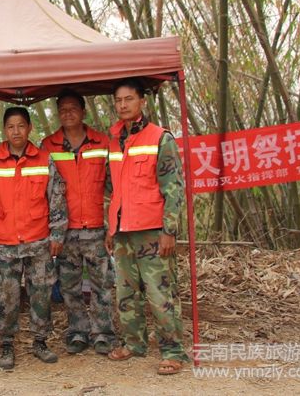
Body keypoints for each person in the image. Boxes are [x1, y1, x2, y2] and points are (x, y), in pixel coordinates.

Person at [104, 77, 189, 375]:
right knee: (126, 293)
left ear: (142, 101)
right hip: (122, 230)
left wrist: (169, 231)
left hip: (153, 231)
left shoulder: (160, 138)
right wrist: (110, 228)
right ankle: (134, 343)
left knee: (160, 292)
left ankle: (173, 351)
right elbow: (112, 188)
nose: (123, 105)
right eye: (118, 100)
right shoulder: (114, 140)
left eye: (129, 99)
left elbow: (173, 188)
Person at [0, 106, 67, 371]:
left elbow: (56, 199)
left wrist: (57, 233)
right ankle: (6, 343)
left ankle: (40, 341)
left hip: (38, 240)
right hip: (5, 242)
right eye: (10, 127)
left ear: (29, 128)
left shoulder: (44, 159)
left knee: (41, 293)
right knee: (8, 296)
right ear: (5, 130)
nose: (16, 131)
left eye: (20, 126)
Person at [40, 88, 117, 355]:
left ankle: (103, 333)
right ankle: (78, 332)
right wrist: (52, 231)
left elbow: (114, 188)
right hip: (66, 231)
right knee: (70, 286)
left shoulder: (101, 142)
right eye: (63, 110)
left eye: (73, 108)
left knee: (102, 285)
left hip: (96, 229)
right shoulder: (48, 146)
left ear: (83, 112)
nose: (68, 113)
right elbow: (43, 191)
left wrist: (112, 225)